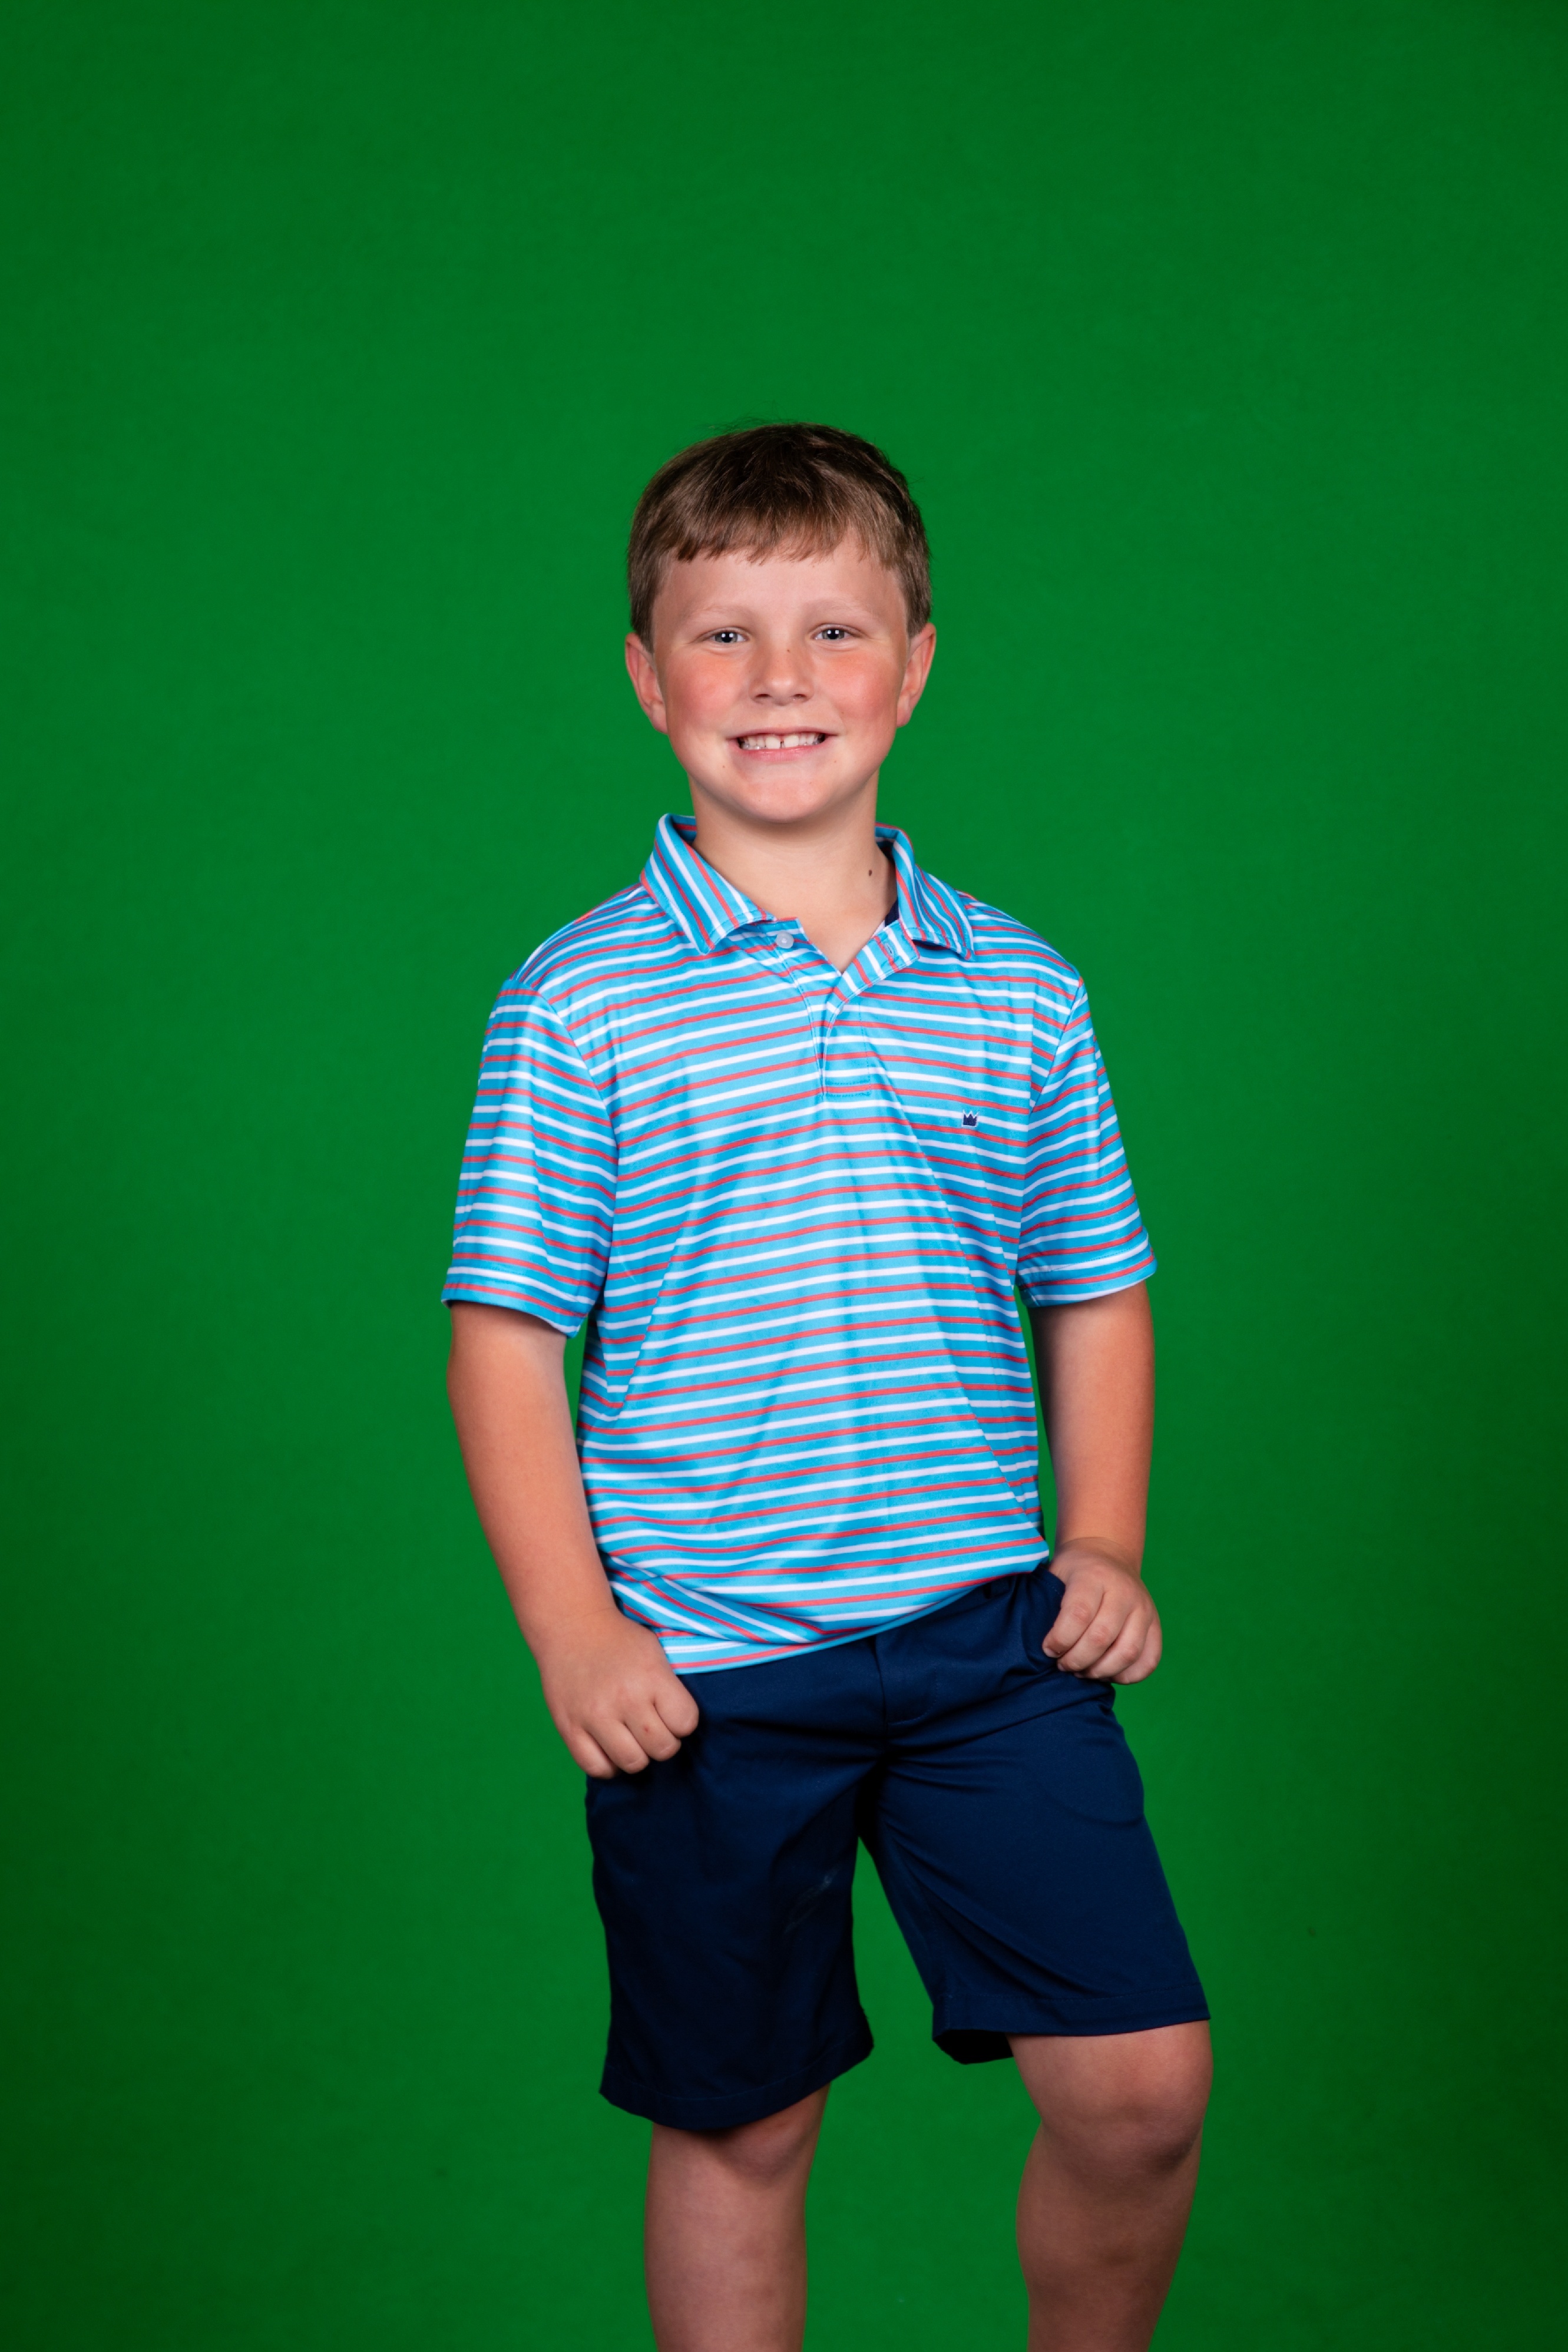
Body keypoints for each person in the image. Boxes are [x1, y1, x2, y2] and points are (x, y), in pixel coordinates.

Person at [443, 422, 1210, 2352]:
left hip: (986, 1644)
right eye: (724, 633)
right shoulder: (580, 1000)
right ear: (648, 676)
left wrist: (1107, 1537)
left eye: (833, 630)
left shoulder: (1020, 989)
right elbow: (507, 1339)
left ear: (916, 665)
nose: (779, 677)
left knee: (1139, 2090)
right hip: (711, 1673)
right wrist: (575, 1630)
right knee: (744, 2120)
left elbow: (1095, 1287)